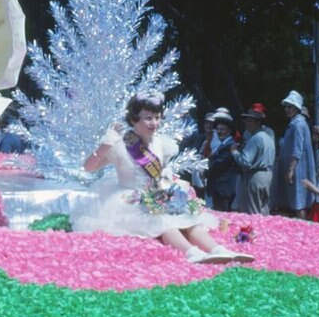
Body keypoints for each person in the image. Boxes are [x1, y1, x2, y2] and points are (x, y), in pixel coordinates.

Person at [73, 92, 253, 264]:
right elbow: (89, 168)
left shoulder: (162, 144)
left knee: (189, 220)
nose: (154, 123)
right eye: (148, 118)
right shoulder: (121, 145)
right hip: (128, 199)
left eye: (157, 117)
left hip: (157, 194)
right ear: (134, 119)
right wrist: (105, 145)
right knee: (164, 222)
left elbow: (160, 171)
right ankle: (191, 253)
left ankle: (218, 250)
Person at [271, 91, 316, 218]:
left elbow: (297, 149)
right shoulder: (293, 123)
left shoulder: (298, 125)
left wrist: (291, 170)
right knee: (292, 199)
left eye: (290, 106)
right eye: (286, 106)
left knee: (298, 200)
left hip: (298, 168)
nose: (287, 109)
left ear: (297, 107)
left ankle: (303, 228)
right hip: (292, 165)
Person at [231, 103, 275, 215]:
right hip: (267, 176)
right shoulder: (268, 137)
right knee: (264, 212)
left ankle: (254, 233)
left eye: (250, 121)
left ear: (258, 122)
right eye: (246, 120)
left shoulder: (256, 138)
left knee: (253, 214)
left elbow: (245, 162)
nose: (247, 123)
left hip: (255, 177)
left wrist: (234, 152)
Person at [205, 111, 240, 211]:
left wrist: (205, 169)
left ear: (229, 131)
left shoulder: (230, 145)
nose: (219, 131)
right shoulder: (223, 144)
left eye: (222, 129)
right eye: (218, 129)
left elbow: (218, 164)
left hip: (224, 188)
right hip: (219, 188)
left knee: (223, 215)